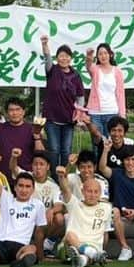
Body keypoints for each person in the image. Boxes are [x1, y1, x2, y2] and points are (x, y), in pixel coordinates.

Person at [0, 169, 47, 267]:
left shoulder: (38, 205)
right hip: (1, 243)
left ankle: (21, 262)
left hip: (21, 245)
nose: (24, 190)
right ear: (15, 188)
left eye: (28, 186)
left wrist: (41, 256)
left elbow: (40, 231)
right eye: (21, 186)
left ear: (33, 189)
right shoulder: (6, 199)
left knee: (31, 249)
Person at [99, 141, 134, 262]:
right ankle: (125, 248)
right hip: (120, 219)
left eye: (133, 160)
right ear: (123, 161)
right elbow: (102, 168)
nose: (130, 163)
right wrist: (106, 150)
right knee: (114, 210)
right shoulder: (117, 174)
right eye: (127, 160)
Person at [55, 164, 113, 267]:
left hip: (94, 245)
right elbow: (65, 190)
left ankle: (82, 260)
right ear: (82, 192)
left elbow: (106, 232)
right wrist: (61, 176)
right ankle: (92, 255)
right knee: (69, 236)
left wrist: (102, 248)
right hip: (73, 243)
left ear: (100, 194)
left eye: (96, 192)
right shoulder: (75, 204)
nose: (92, 195)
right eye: (89, 191)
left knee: (86, 256)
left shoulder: (107, 208)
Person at [40, 35, 86, 168]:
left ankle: (63, 176)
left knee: (66, 150)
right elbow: (47, 58)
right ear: (57, 58)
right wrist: (44, 44)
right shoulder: (52, 70)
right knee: (54, 150)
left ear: (71, 58)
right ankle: (55, 177)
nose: (64, 58)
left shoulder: (76, 75)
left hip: (68, 120)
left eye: (67, 56)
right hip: (52, 119)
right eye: (61, 55)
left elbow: (80, 96)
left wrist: (79, 115)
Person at [0, 96, 43, 179]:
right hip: (2, 177)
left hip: (25, 180)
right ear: (7, 113)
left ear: (23, 112)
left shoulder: (32, 129)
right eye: (11, 110)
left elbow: (41, 154)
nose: (14, 113)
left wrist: (37, 137)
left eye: (17, 109)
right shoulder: (0, 128)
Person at [84, 42, 126, 140]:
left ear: (110, 54)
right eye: (100, 54)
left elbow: (120, 94)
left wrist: (122, 114)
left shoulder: (117, 71)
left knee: (111, 141)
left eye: (105, 53)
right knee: (97, 142)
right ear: (97, 56)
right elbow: (88, 66)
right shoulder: (95, 69)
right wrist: (89, 56)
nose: (103, 56)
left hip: (112, 111)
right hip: (95, 113)